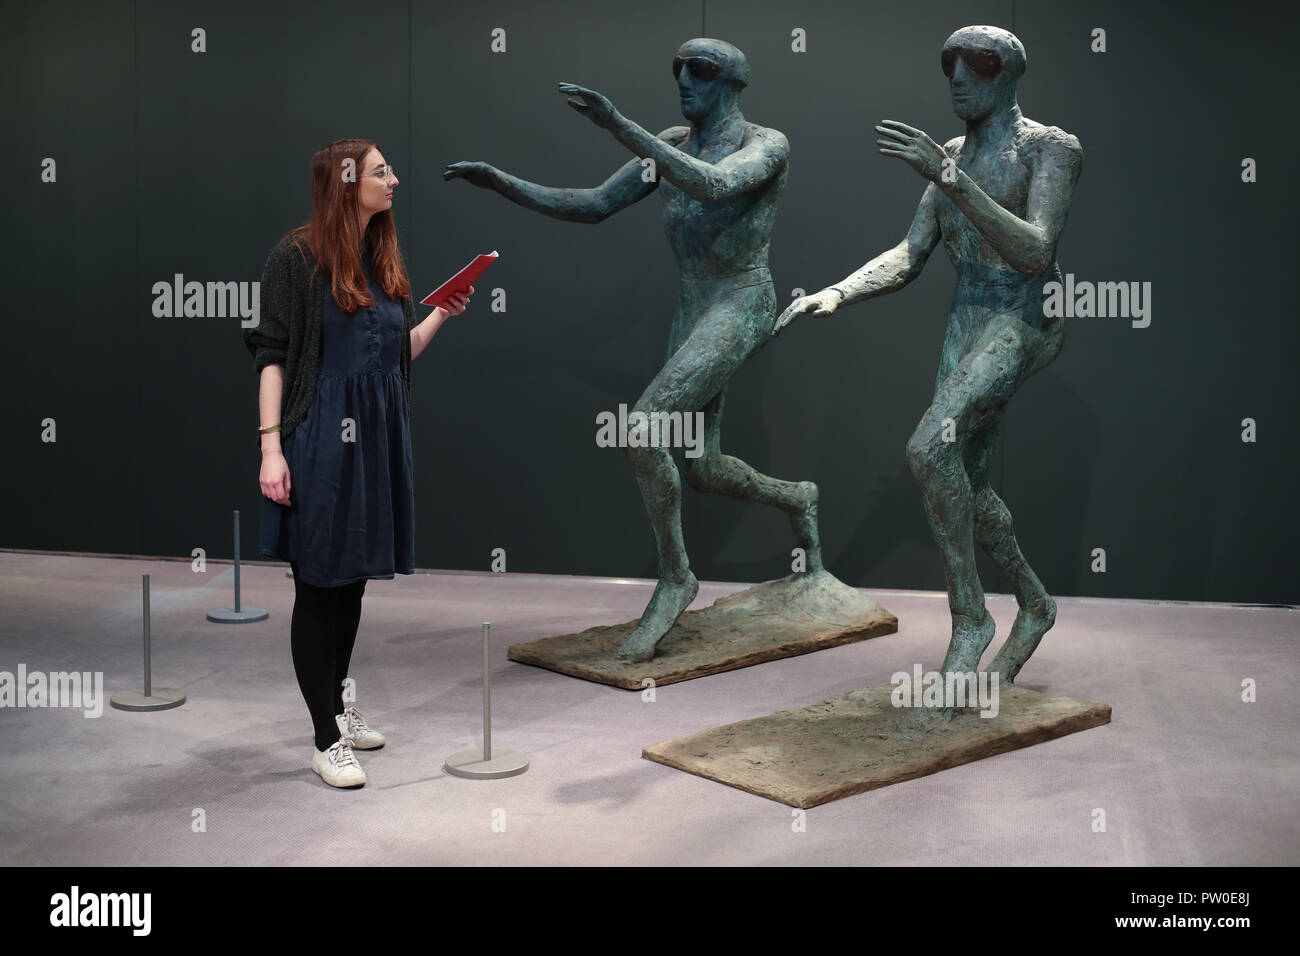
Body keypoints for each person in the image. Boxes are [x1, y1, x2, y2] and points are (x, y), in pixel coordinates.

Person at [445, 38, 821, 662]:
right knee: (702, 468)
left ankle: (677, 578)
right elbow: (595, 204)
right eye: (678, 69)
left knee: (642, 429)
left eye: (700, 72)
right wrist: (503, 184)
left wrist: (618, 124)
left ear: (732, 83)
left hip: (740, 302)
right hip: (692, 306)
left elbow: (713, 186)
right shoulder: (672, 143)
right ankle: (798, 497)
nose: (684, 82)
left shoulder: (766, 145)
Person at [775, 26, 1082, 683]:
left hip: (1023, 318)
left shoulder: (1051, 149)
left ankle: (971, 618)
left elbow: (1035, 253)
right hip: (967, 317)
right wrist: (838, 292)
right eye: (952, 70)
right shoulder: (951, 154)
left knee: (928, 450)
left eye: (975, 68)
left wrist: (951, 179)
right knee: (966, 480)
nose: (958, 82)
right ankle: (1033, 602)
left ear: (1007, 77)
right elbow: (910, 254)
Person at [244, 139, 472, 788]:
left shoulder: (379, 256)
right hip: (318, 440)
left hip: (376, 439)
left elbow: (392, 360)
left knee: (353, 584)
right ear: (347, 184)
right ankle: (323, 738)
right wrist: (270, 449)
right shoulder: (295, 258)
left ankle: (337, 709)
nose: (394, 179)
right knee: (318, 587)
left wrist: (438, 317)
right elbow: (271, 358)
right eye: (381, 172)